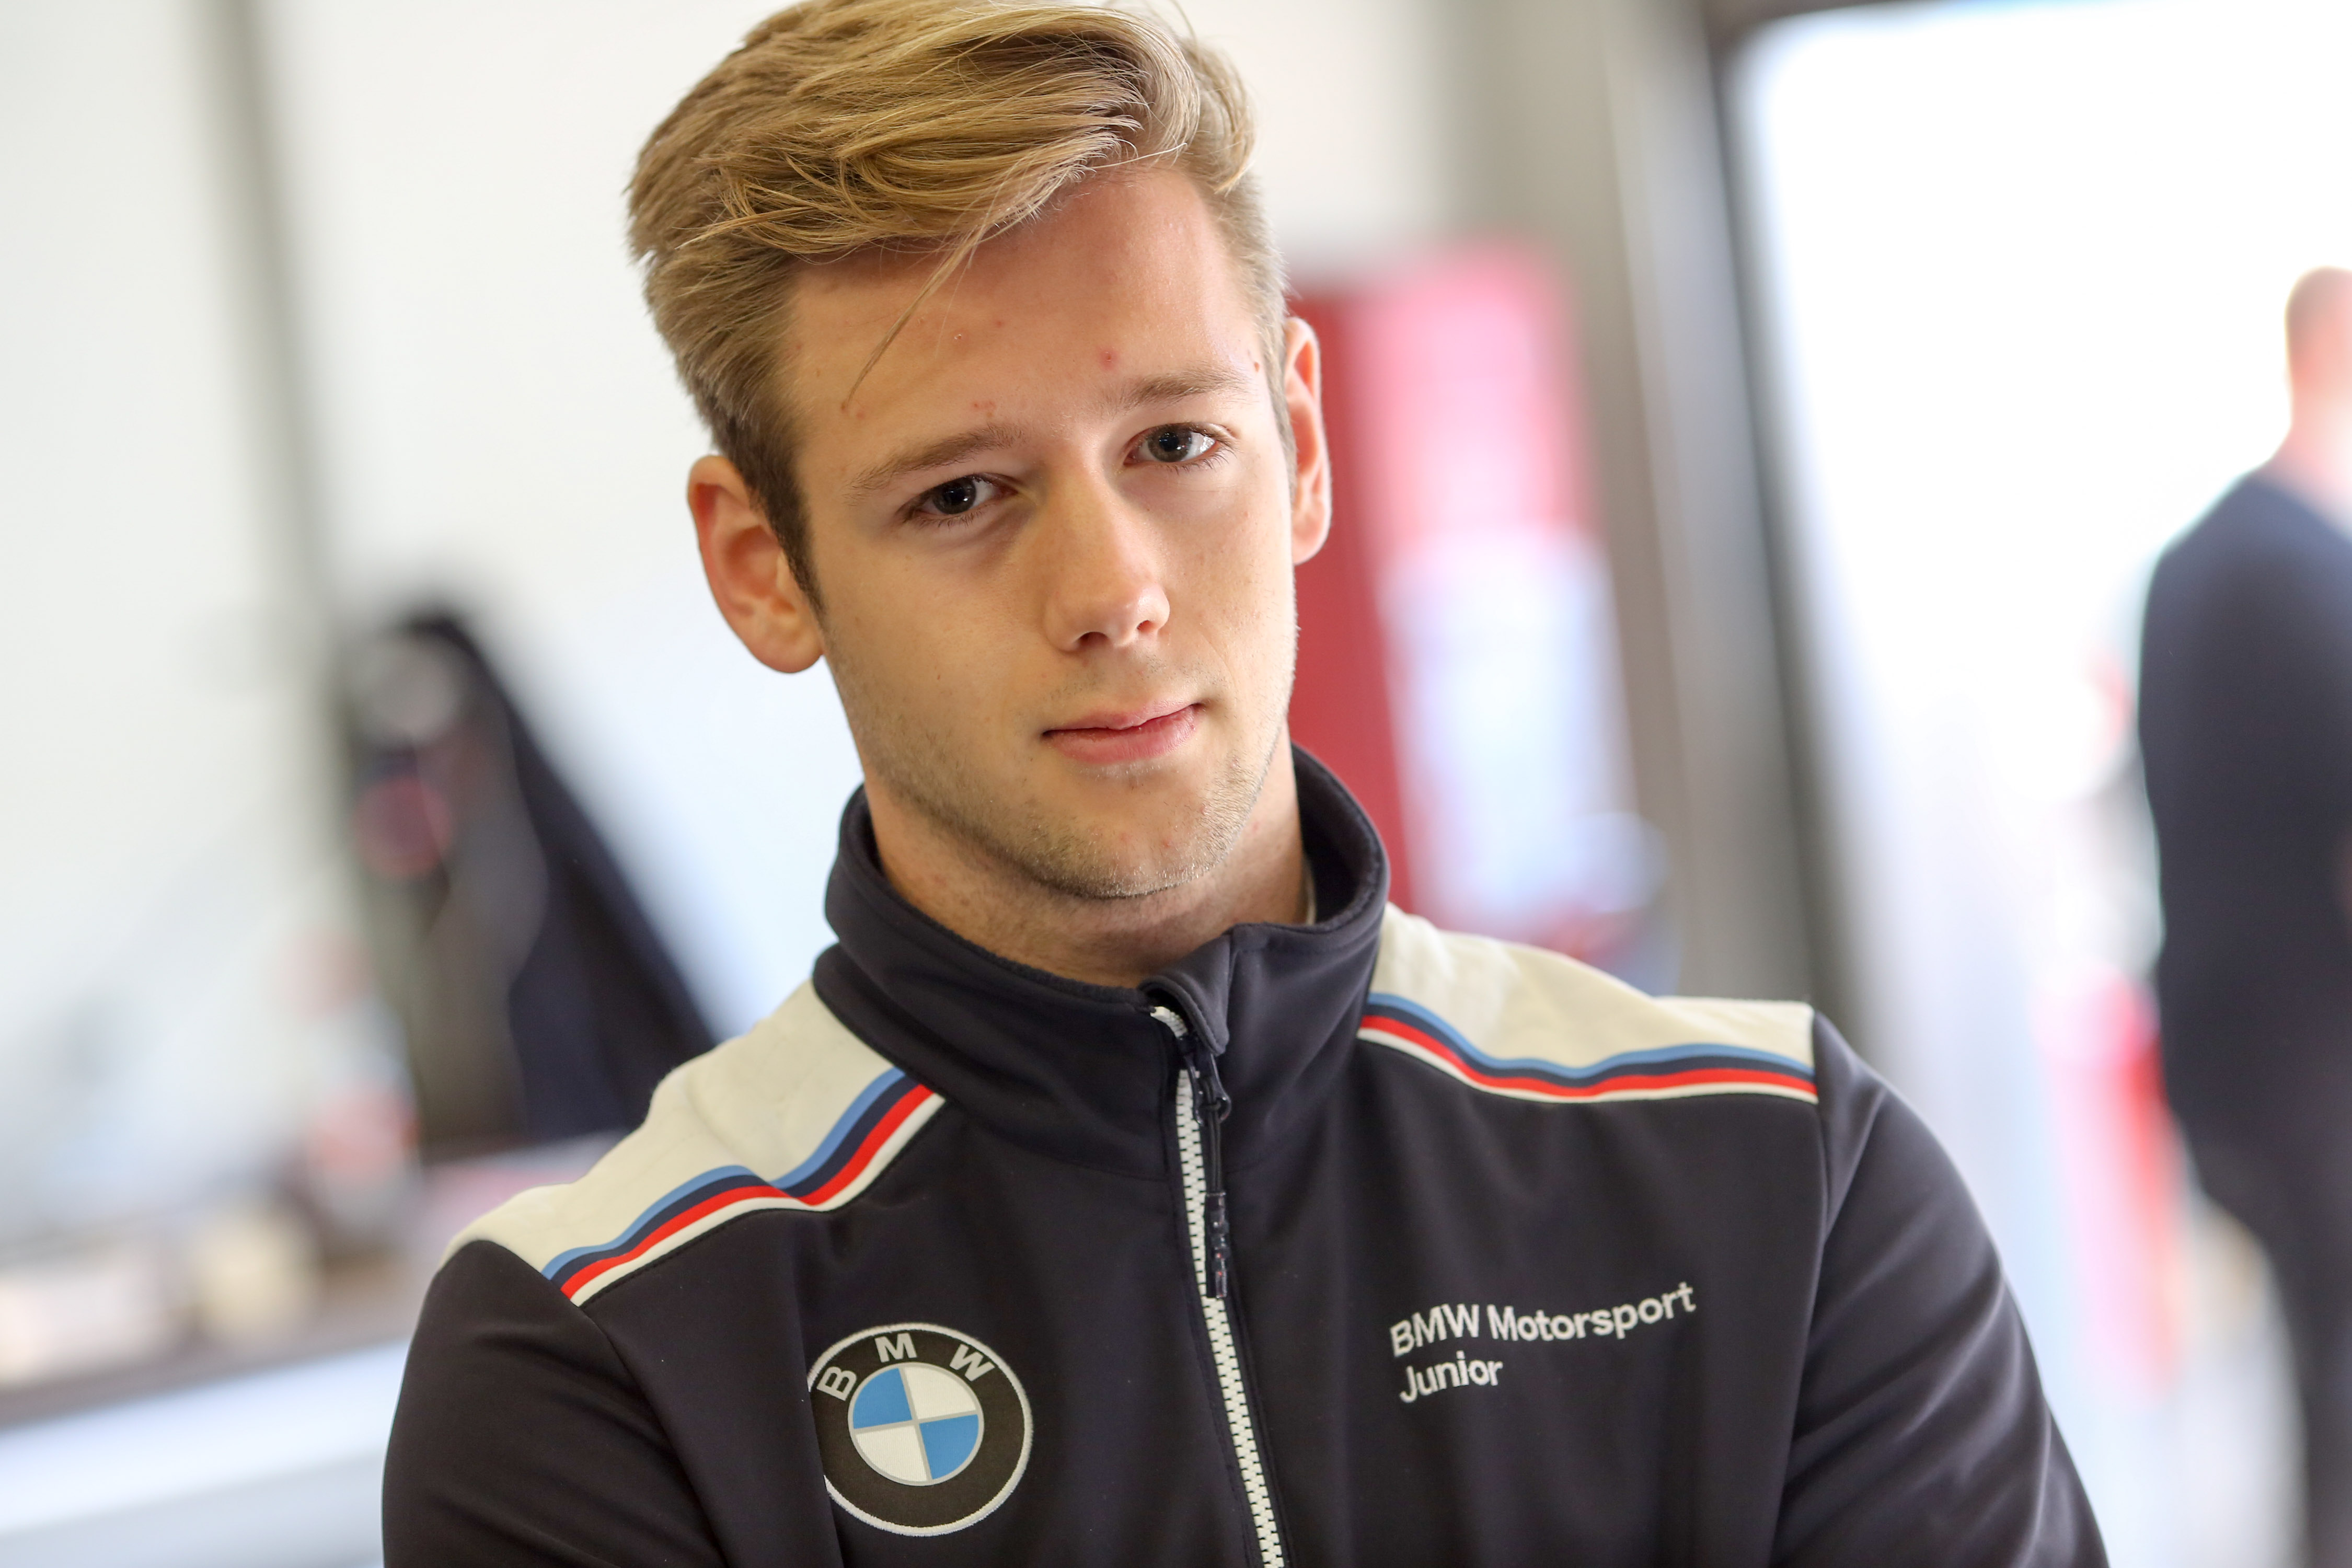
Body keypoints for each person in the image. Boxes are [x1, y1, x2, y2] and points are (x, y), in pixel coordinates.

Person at [382, 3, 2101, 1561]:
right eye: (963, 495)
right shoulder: (605, 1354)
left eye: (1175, 445)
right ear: (762, 567)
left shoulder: (1779, 1174)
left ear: (1301, 446)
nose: (1112, 589)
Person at [2142, 266, 2352, 1568]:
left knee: (2320, 1379)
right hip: (2312, 1071)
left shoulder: (2196, 563)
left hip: (2224, 1054)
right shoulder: (2310, 577)